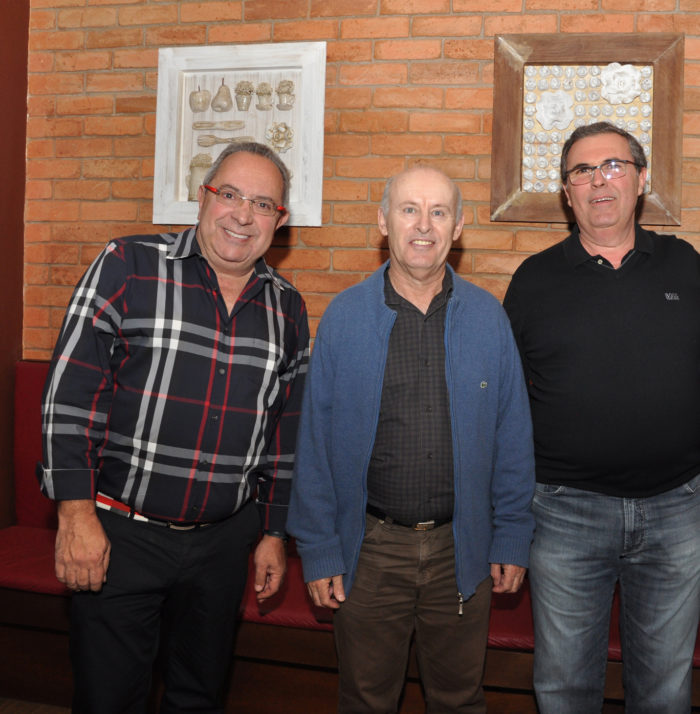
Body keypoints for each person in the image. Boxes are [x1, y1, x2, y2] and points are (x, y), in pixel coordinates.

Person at [37, 141, 309, 714]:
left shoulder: (288, 307)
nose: (243, 215)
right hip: (118, 535)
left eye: (264, 204)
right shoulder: (128, 264)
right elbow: (70, 393)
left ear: (279, 222)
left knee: (198, 697)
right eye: (230, 194)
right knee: (109, 700)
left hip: (223, 543)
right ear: (203, 196)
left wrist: (273, 532)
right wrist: (75, 513)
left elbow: (284, 433)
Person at [287, 165, 535, 713]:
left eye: (438, 211)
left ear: (458, 226)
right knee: (367, 700)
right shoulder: (344, 318)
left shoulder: (489, 319)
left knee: (460, 698)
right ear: (383, 222)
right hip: (369, 551)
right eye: (408, 210)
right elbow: (315, 446)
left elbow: (513, 436)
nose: (423, 225)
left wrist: (512, 534)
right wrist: (320, 548)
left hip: (461, 551)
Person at [503, 121, 700, 714]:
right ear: (567, 192)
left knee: (665, 690)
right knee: (564, 689)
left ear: (641, 180)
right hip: (564, 514)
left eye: (613, 165)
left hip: (678, 509)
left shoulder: (686, 264)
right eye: (582, 171)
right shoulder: (534, 280)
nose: (598, 181)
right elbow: (506, 406)